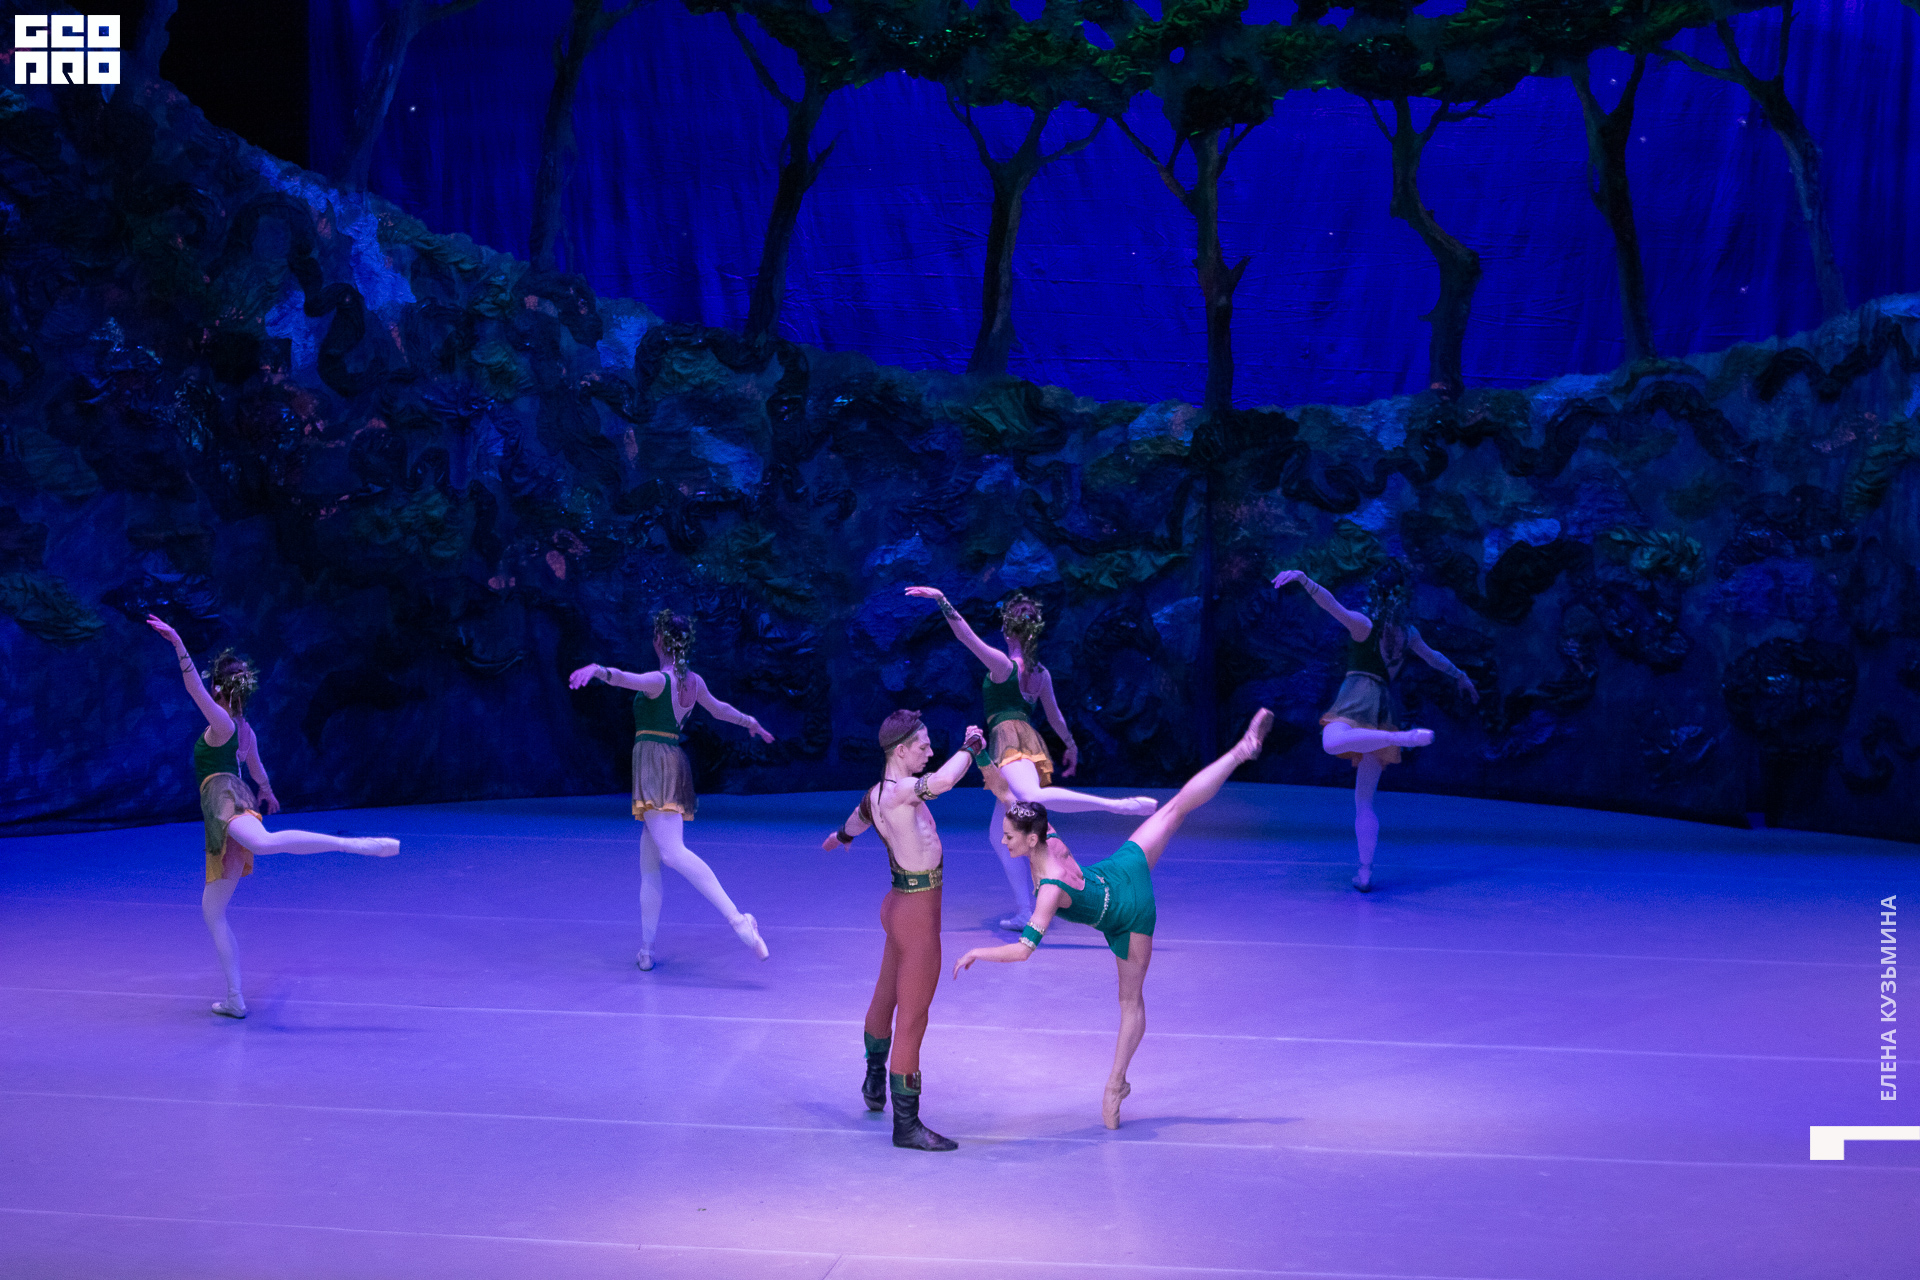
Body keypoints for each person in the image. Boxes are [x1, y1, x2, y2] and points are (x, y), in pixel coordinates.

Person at [954, 709, 1274, 1129]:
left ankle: (1114, 1084)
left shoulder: (1049, 888)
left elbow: (1023, 950)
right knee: (1175, 808)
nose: (1003, 839)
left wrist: (977, 951)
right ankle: (1240, 751)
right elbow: (1001, 788)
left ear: (1030, 840)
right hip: (1118, 871)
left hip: (1128, 915)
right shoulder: (1045, 833)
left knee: (1130, 1003)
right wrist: (979, 753)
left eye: (1008, 836)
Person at [146, 616, 399, 1020]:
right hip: (229, 800)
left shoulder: (222, 724)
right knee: (212, 911)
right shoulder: (244, 730)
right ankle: (234, 998)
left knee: (263, 844)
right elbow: (257, 768)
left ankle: (355, 845)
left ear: (219, 689)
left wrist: (178, 643)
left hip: (224, 797)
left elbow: (192, 688)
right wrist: (266, 790)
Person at [904, 586, 1155, 931]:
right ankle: (1026, 910)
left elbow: (966, 636)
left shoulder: (1003, 665)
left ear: (1008, 630)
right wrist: (1070, 745)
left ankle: (1119, 806)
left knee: (1030, 796)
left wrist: (941, 599)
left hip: (1009, 740)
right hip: (1024, 739)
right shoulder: (1040, 674)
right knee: (998, 834)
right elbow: (1055, 717)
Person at [569, 609, 775, 968]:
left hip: (654, 765)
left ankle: (740, 922)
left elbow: (624, 678)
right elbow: (720, 709)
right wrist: (750, 722)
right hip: (670, 762)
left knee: (672, 853)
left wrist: (598, 670)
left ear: (659, 641)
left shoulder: (659, 681)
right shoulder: (693, 682)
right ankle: (647, 950)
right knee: (649, 863)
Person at [823, 711, 984, 1151]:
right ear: (900, 750)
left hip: (897, 905)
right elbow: (945, 781)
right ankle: (906, 1125)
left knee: (884, 997)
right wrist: (972, 744)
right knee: (913, 1017)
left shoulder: (877, 794)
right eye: (922, 746)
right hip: (917, 917)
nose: (929, 751)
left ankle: (874, 1082)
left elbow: (858, 818)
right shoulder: (900, 793)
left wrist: (843, 836)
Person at [1271, 562, 1478, 891]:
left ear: (1374, 593)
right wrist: (1461, 676)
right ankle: (1364, 871)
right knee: (1364, 799)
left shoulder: (1364, 625)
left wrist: (1304, 579)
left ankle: (1402, 738)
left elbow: (1331, 605)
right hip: (1382, 706)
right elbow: (1434, 657)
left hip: (1357, 696)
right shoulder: (1408, 635)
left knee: (1330, 740)